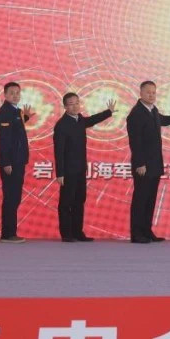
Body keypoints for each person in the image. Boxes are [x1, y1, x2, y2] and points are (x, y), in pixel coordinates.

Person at [126, 80, 170, 243]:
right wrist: (140, 163)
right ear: (141, 93)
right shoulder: (136, 114)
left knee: (150, 199)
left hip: (155, 163)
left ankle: (147, 231)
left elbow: (162, 120)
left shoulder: (153, 110)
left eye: (153, 92)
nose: (151, 95)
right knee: (141, 199)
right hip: (143, 165)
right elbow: (135, 141)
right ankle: (136, 233)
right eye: (148, 92)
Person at [53, 92, 116, 242]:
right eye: (71, 104)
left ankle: (78, 232)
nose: (75, 106)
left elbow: (92, 120)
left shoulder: (80, 119)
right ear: (65, 106)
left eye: (77, 103)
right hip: (68, 171)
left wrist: (108, 112)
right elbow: (58, 151)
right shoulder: (61, 125)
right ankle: (66, 234)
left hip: (81, 168)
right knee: (66, 202)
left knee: (79, 200)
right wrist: (60, 173)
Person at [0, 81, 34, 244]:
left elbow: (15, 128)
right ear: (5, 95)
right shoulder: (5, 111)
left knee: (15, 197)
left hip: (18, 160)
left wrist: (25, 117)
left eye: (17, 92)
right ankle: (8, 233)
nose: (15, 95)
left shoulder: (16, 111)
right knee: (11, 197)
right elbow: (5, 139)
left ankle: (11, 232)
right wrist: (6, 162)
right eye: (11, 93)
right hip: (11, 162)